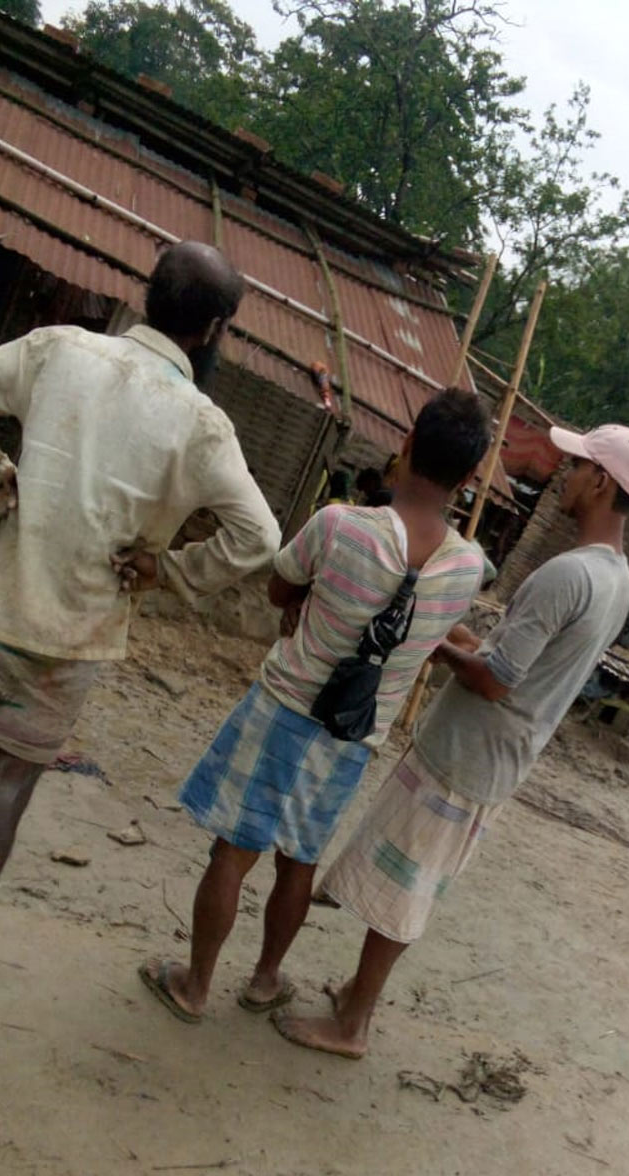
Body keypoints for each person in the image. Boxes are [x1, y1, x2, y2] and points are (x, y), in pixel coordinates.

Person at [0, 243, 281, 993]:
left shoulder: (60, 351)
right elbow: (261, 538)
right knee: (7, 788)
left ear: (148, 297)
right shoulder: (202, 425)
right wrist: (169, 573)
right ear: (213, 329)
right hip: (75, 634)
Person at [272, 422, 629, 1058]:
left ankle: (353, 1025)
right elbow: (515, 662)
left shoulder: (567, 575)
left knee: (404, 887)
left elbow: (498, 680)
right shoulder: (616, 579)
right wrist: (453, 638)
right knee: (408, 874)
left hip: (469, 751)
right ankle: (353, 997)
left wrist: (429, 644)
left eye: (575, 468)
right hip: (498, 757)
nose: (563, 477)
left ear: (600, 481)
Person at [137, 389, 491, 1023]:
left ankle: (195, 985)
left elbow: (279, 588)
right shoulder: (467, 568)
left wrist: (309, 601)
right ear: (468, 480)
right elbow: (427, 639)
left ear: (405, 445)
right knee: (298, 859)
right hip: (352, 738)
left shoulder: (339, 524)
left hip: (281, 709)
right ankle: (266, 979)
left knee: (233, 851)